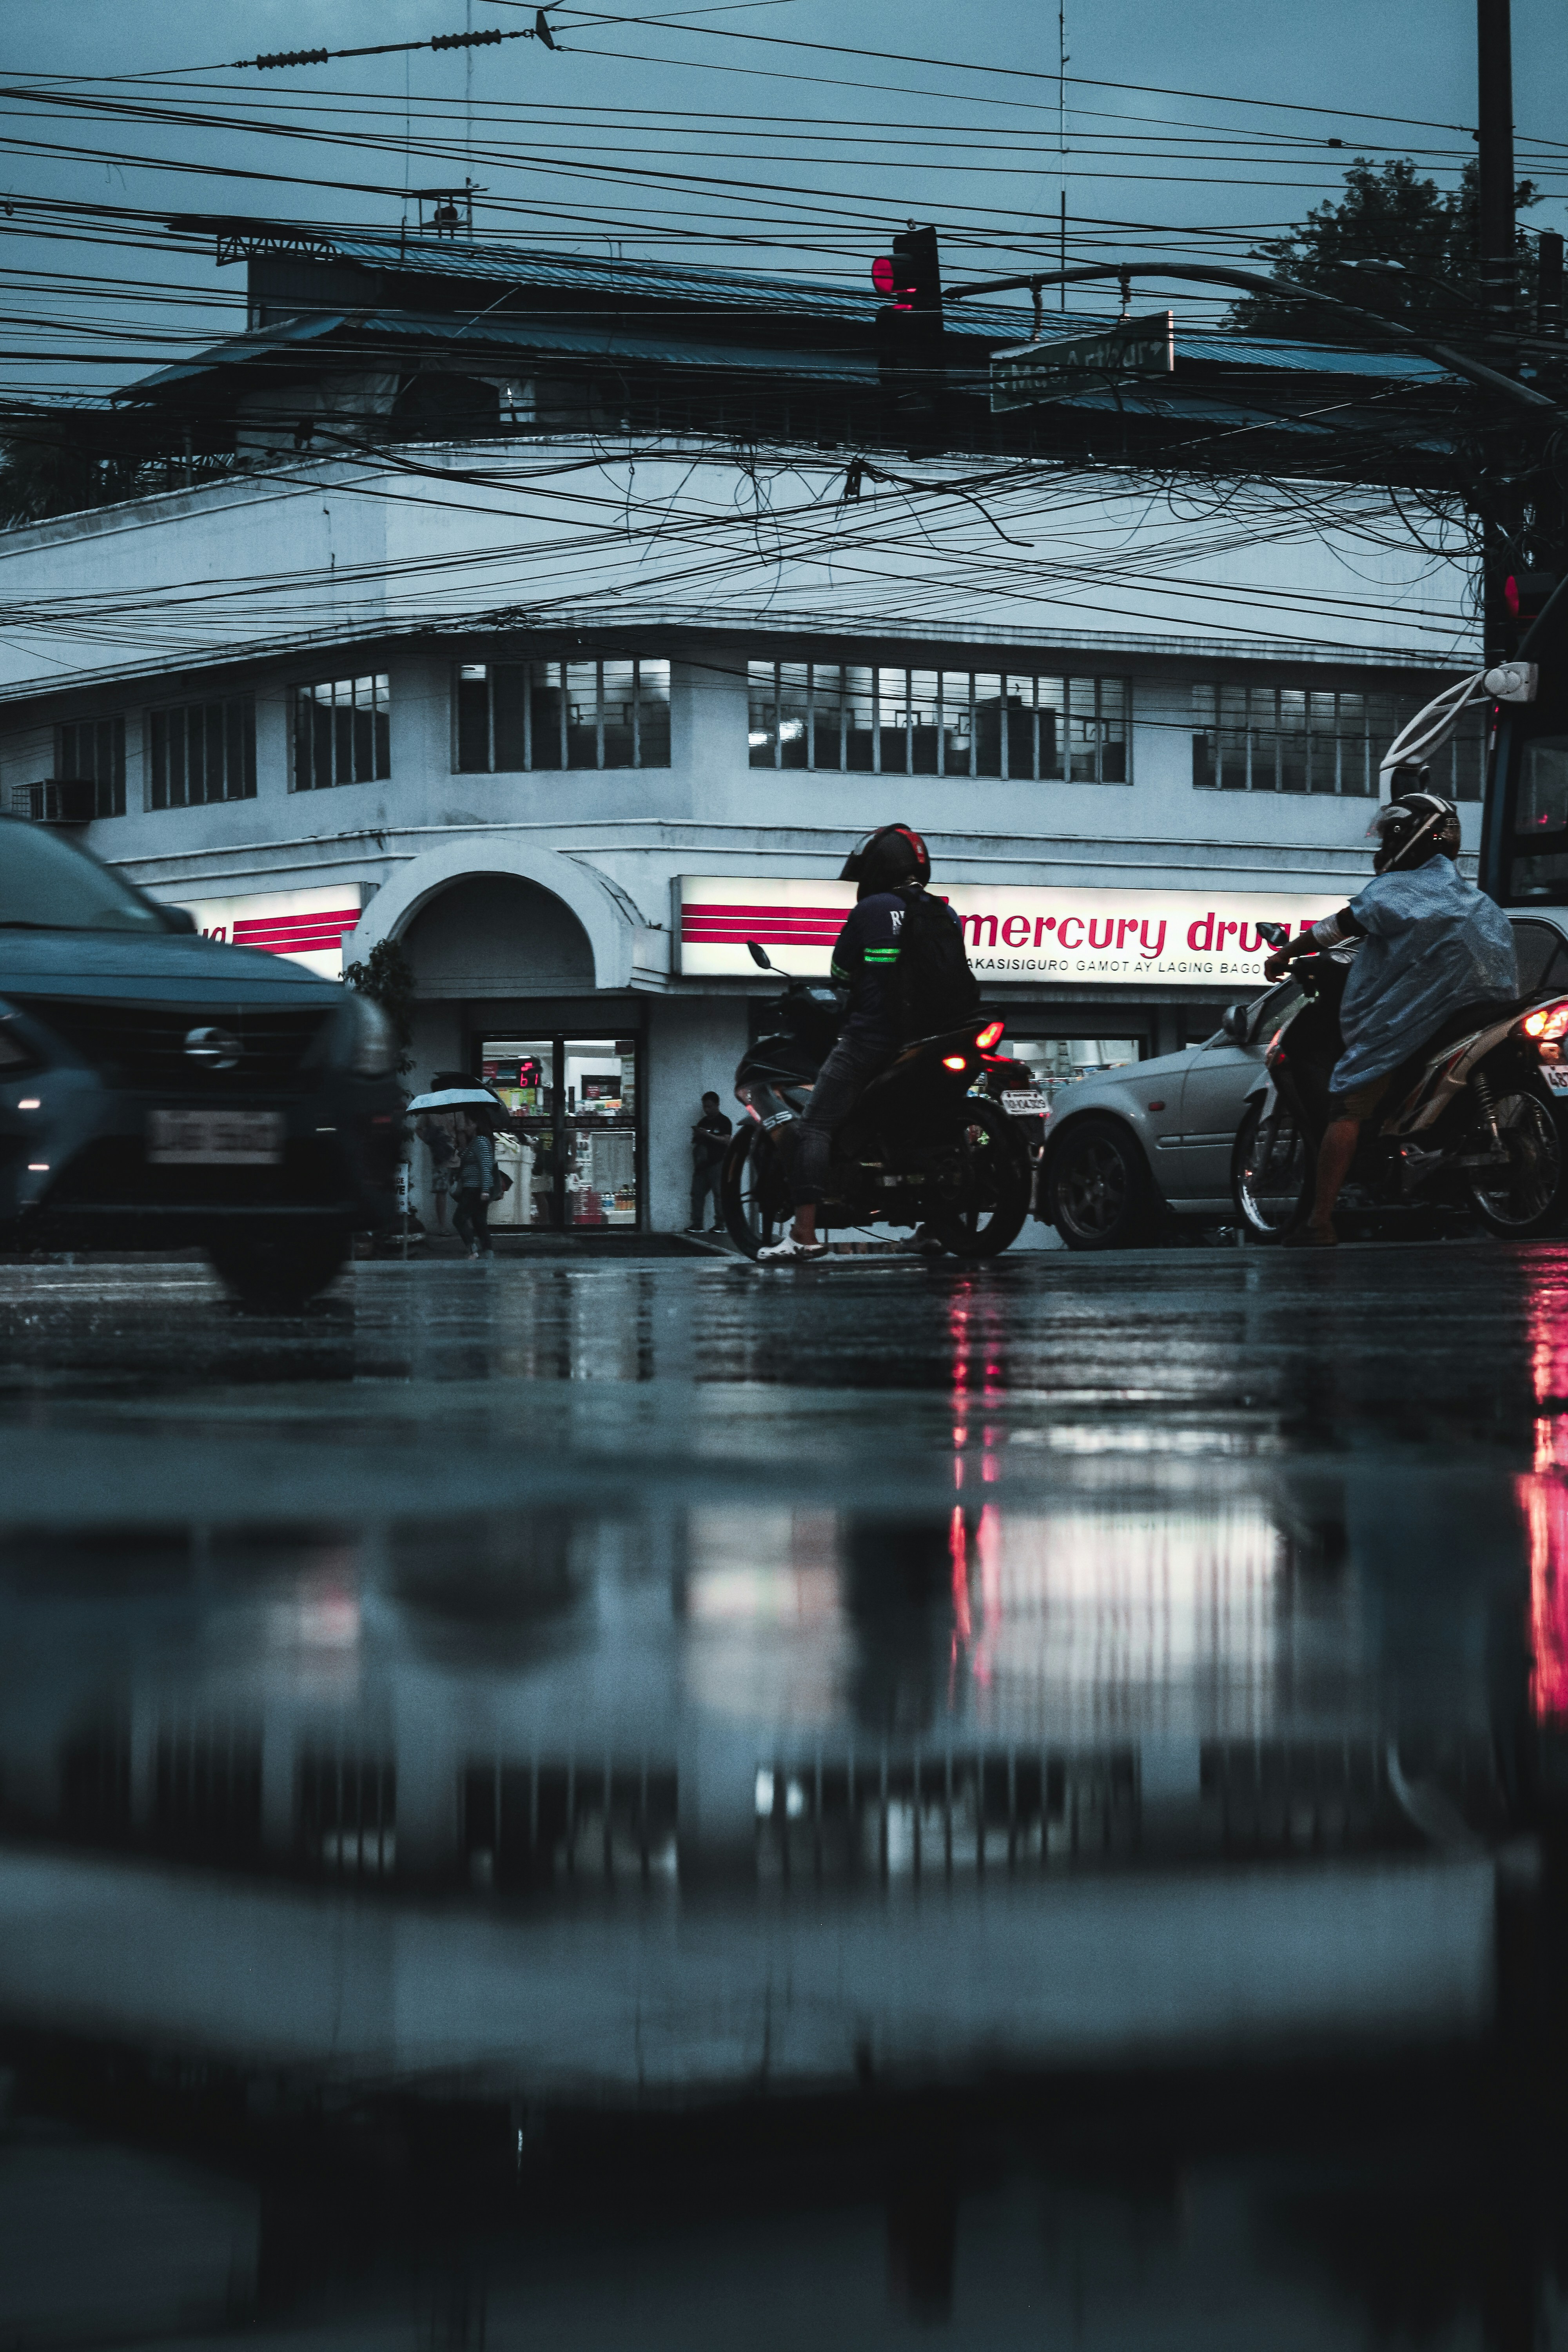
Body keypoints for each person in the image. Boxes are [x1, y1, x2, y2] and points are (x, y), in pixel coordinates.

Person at [1263, 782, 1519, 1247]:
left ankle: (1320, 1221)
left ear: (1407, 837)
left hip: (1420, 1018)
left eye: (1389, 838)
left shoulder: (1396, 893)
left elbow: (1333, 931)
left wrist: (1283, 957)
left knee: (1348, 1101)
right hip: (1483, 1011)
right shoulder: (1473, 899)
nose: (1383, 848)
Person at [759, 822, 962, 1263]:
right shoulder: (945, 913)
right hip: (932, 1041)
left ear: (878, 867)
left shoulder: (873, 908)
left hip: (874, 1038)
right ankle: (935, 1228)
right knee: (927, 1133)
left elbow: (841, 973)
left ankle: (805, 1234)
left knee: (815, 1126)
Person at [452, 1109, 496, 1258]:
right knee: (479, 1221)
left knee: (459, 1219)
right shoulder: (474, 1143)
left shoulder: (481, 1141)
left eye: (468, 1123)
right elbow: (465, 1158)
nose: (466, 1127)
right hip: (474, 1187)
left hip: (476, 1188)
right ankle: (488, 1252)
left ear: (477, 1124)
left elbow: (486, 1166)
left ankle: (473, 1251)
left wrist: (485, 1190)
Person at [687, 1091, 733, 1233]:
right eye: (705, 1107)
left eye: (710, 1107)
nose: (707, 1110)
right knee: (697, 1194)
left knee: (719, 1194)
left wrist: (708, 1135)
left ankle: (720, 1225)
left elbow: (727, 1140)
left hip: (718, 1163)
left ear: (717, 1105)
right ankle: (697, 1224)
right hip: (702, 1164)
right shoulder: (703, 1122)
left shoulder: (724, 1121)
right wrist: (698, 1135)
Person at [415, 1111, 457, 1233]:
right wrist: (432, 1142)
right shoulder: (431, 1110)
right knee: (441, 1190)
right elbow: (419, 1129)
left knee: (461, 1189)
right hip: (441, 1156)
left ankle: (463, 1224)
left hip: (456, 1153)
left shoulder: (456, 1109)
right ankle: (442, 1226)